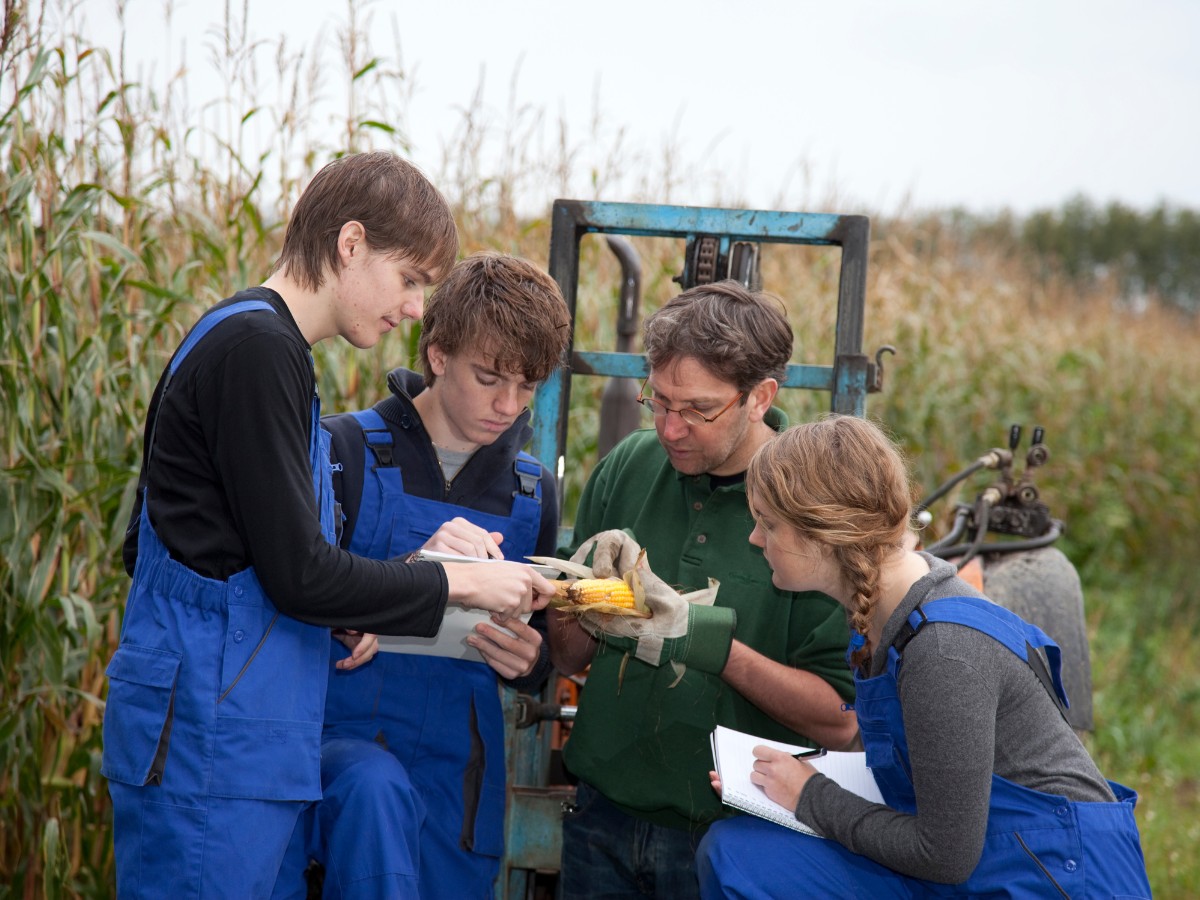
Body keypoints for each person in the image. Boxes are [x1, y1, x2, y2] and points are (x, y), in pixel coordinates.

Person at [101, 152, 557, 899]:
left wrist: (341, 616)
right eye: (409, 278)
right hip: (212, 747)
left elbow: (187, 550)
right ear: (350, 245)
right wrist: (455, 580)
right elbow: (300, 574)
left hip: (243, 742)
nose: (414, 307)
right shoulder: (257, 351)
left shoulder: (267, 350)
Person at [697, 415, 1152, 899]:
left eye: (768, 523)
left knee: (744, 860)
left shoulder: (944, 652)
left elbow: (945, 856)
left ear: (825, 533)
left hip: (1049, 873)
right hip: (984, 855)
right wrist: (784, 786)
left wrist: (810, 796)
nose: (755, 538)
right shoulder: (887, 611)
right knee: (738, 854)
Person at [548, 280, 859, 900]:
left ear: (760, 397)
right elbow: (565, 658)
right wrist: (579, 596)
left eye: (697, 409)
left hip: (735, 841)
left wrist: (709, 645)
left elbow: (841, 722)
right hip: (602, 816)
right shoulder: (627, 467)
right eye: (658, 401)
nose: (669, 428)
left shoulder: (817, 510)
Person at [274, 252, 571, 899]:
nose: (509, 405)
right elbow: (289, 594)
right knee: (372, 794)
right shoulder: (342, 450)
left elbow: (543, 642)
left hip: (457, 777)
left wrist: (531, 660)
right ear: (437, 355)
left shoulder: (533, 493)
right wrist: (399, 582)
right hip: (335, 752)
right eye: (490, 378)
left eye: (527, 387)